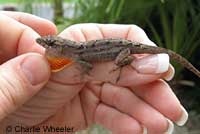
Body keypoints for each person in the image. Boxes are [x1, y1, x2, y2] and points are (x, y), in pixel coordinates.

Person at [0, 11, 188, 134]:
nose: (44, 45)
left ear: (61, 46)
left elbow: (88, 67)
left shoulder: (75, 54)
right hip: (118, 47)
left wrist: (84, 73)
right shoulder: (73, 52)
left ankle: (128, 61)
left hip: (123, 50)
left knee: (119, 63)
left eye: (49, 43)